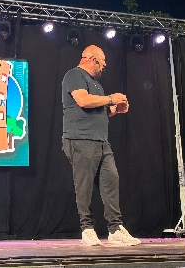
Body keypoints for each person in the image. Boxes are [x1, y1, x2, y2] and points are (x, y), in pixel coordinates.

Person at [61, 45, 141, 246]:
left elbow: (98, 111)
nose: (104, 67)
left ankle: (115, 229)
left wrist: (114, 110)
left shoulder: (96, 84)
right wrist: (111, 98)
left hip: (102, 141)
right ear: (93, 60)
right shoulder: (74, 75)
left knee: (111, 181)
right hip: (80, 139)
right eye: (102, 63)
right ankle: (87, 228)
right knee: (84, 185)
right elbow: (82, 100)